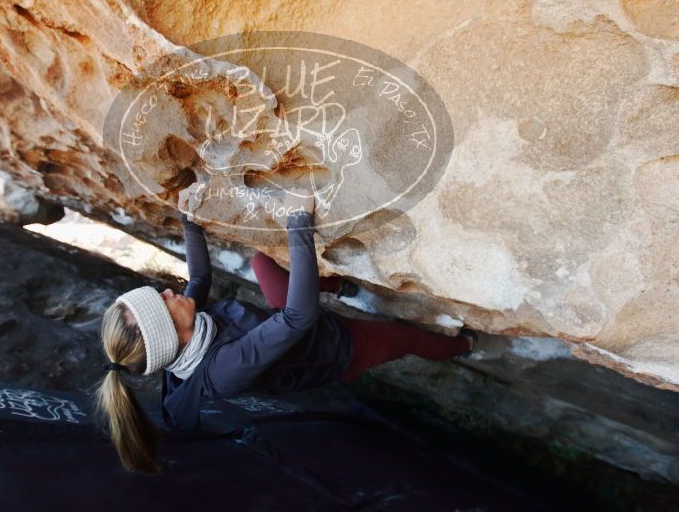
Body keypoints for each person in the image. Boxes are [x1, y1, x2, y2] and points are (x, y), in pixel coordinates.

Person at [95, 185, 476, 472]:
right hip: (338, 348)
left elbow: (198, 278)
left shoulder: (188, 331)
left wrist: (188, 219)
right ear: (171, 335)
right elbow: (298, 318)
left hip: (283, 325)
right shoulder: (221, 371)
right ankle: (465, 345)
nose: (166, 291)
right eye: (162, 302)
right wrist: (299, 221)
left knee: (263, 262)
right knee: (406, 338)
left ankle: (341, 288)